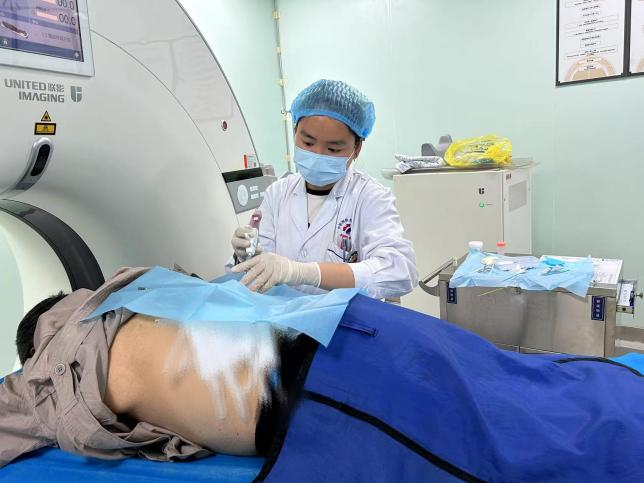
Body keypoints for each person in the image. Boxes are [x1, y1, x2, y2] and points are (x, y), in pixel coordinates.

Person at [0, 267, 315, 468]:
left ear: (34, 352)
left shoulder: (44, 381)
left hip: (281, 412)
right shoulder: (136, 287)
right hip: (304, 333)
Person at [229, 79, 418, 298]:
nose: (318, 154)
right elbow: (260, 269)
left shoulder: (370, 197)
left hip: (345, 317)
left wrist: (303, 272)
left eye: (333, 149)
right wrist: (247, 255)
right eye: (308, 143)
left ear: (357, 148)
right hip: (282, 314)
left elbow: (399, 272)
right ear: (294, 132)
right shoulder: (278, 193)